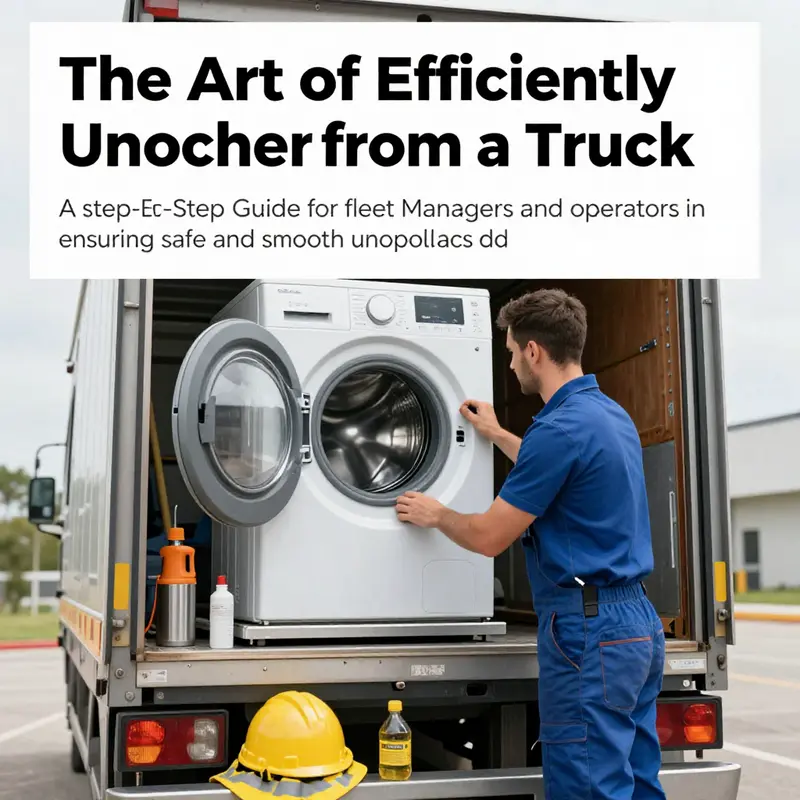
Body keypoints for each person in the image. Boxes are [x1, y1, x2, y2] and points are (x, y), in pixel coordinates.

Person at [395, 288, 666, 800]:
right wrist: (498, 433)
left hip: (589, 632)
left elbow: (490, 536)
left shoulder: (558, 429)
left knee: (588, 786)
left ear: (534, 351)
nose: (512, 361)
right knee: (637, 783)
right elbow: (562, 469)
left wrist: (438, 514)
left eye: (513, 350)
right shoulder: (609, 416)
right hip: (637, 627)